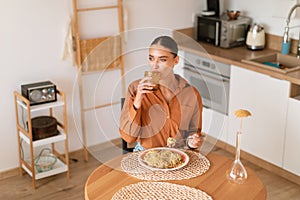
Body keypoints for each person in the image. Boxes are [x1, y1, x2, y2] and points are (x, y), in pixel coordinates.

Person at [119, 35, 204, 150]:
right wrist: (138, 100)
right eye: (151, 58)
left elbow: (193, 132)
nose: (155, 65)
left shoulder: (192, 94)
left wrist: (192, 141)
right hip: (147, 155)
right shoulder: (135, 88)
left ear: (176, 60)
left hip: (179, 155)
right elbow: (128, 138)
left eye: (162, 60)